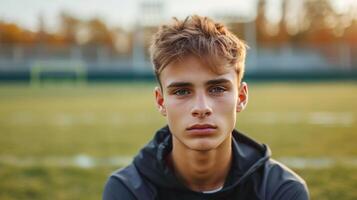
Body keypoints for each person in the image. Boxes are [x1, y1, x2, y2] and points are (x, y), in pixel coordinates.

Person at [103, 15, 309, 200]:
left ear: (241, 96)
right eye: (182, 91)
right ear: (160, 101)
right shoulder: (128, 190)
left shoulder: (279, 190)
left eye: (217, 88)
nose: (201, 108)